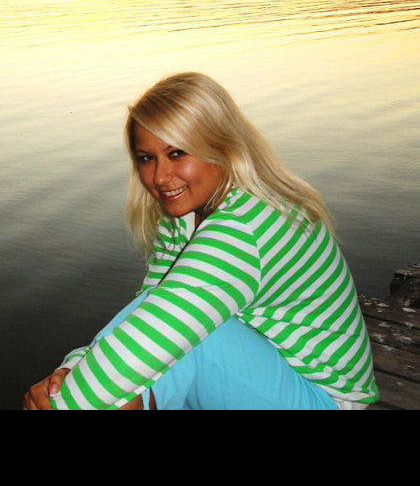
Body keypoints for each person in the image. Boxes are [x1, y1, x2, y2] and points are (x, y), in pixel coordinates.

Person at [22, 72, 379, 410]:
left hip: (322, 397)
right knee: (157, 343)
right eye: (147, 158)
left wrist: (64, 399)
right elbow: (150, 308)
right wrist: (72, 368)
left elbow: (163, 328)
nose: (160, 177)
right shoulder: (186, 215)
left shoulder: (247, 226)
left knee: (183, 340)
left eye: (177, 153)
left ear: (222, 147)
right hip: (259, 365)